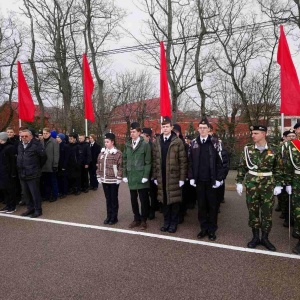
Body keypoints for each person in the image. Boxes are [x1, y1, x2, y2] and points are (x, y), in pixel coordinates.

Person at [236, 125, 283, 251]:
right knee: (253, 211)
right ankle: (255, 237)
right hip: (252, 185)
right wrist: (239, 182)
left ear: (264, 134)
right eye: (252, 133)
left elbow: (278, 169)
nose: (253, 135)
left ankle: (265, 238)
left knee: (267, 212)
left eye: (256, 133)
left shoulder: (274, 149)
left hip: (268, 185)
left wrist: (279, 184)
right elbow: (242, 167)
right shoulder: (247, 149)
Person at [188, 118, 224, 241]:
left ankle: (212, 230)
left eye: (205, 128)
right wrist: (191, 177)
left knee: (213, 206)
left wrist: (219, 178)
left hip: (211, 180)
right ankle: (203, 228)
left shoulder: (216, 143)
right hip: (199, 180)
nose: (202, 130)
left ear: (209, 129)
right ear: (198, 129)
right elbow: (190, 162)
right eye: (200, 128)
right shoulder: (193, 143)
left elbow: (221, 162)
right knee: (202, 206)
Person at [152, 117, 187, 233]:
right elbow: (155, 160)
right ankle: (166, 222)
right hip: (161, 176)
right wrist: (155, 176)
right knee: (164, 201)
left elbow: (183, 161)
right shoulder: (157, 141)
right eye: (163, 126)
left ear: (171, 127)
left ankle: (173, 223)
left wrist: (182, 178)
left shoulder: (177, 142)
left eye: (167, 126)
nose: (165, 128)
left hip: (174, 176)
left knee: (174, 201)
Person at [123, 122, 151, 230]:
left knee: (143, 200)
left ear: (139, 132)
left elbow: (148, 162)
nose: (132, 134)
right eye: (131, 132)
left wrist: (145, 175)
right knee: (133, 199)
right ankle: (136, 218)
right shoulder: (127, 145)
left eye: (134, 131)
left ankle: (144, 220)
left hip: (141, 176)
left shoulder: (145, 145)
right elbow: (125, 160)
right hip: (131, 176)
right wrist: (125, 174)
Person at [17, 129, 47, 218]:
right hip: (22, 173)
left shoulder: (36, 145)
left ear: (30, 136)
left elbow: (43, 157)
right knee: (26, 193)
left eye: (26, 136)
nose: (24, 138)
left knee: (35, 193)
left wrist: (36, 167)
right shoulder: (20, 145)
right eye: (22, 136)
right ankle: (30, 208)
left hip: (33, 173)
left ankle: (38, 210)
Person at [96, 133, 122, 225]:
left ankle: (114, 217)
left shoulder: (117, 153)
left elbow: (120, 166)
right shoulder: (102, 153)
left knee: (113, 199)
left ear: (112, 142)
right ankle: (109, 216)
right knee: (108, 199)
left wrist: (119, 177)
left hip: (113, 180)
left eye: (107, 142)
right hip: (104, 180)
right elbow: (98, 165)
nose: (106, 143)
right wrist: (98, 175)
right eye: (105, 142)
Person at [284, 122, 300, 254]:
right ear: (296, 130)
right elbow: (287, 166)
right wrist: (288, 183)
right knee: (298, 212)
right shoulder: (291, 146)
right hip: (297, 181)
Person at [141, 127, 159, 220]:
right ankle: (146, 210)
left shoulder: (153, 146)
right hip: (143, 173)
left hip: (151, 173)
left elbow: (155, 161)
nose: (141, 137)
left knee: (152, 194)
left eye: (143, 135)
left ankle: (152, 211)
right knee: (144, 194)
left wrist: (153, 175)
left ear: (148, 136)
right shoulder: (141, 145)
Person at [0, 132, 17, 213]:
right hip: (2, 172)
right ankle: (7, 205)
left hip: (8, 173)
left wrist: (13, 173)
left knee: (10, 190)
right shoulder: (1, 147)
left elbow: (13, 162)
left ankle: (12, 206)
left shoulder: (10, 148)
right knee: (4, 190)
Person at [41, 127, 59, 202]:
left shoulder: (54, 142)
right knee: (45, 182)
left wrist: (55, 164)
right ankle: (47, 195)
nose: (45, 135)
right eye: (44, 133)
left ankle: (54, 195)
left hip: (51, 165)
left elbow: (56, 154)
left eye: (46, 133)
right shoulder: (41, 142)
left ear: (49, 134)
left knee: (53, 181)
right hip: (43, 165)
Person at [56, 133, 70, 199]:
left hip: (63, 166)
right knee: (59, 179)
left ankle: (64, 192)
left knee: (64, 179)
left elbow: (66, 157)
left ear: (61, 138)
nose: (56, 138)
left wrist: (64, 166)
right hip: (58, 165)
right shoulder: (56, 145)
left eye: (58, 137)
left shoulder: (65, 146)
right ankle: (60, 191)